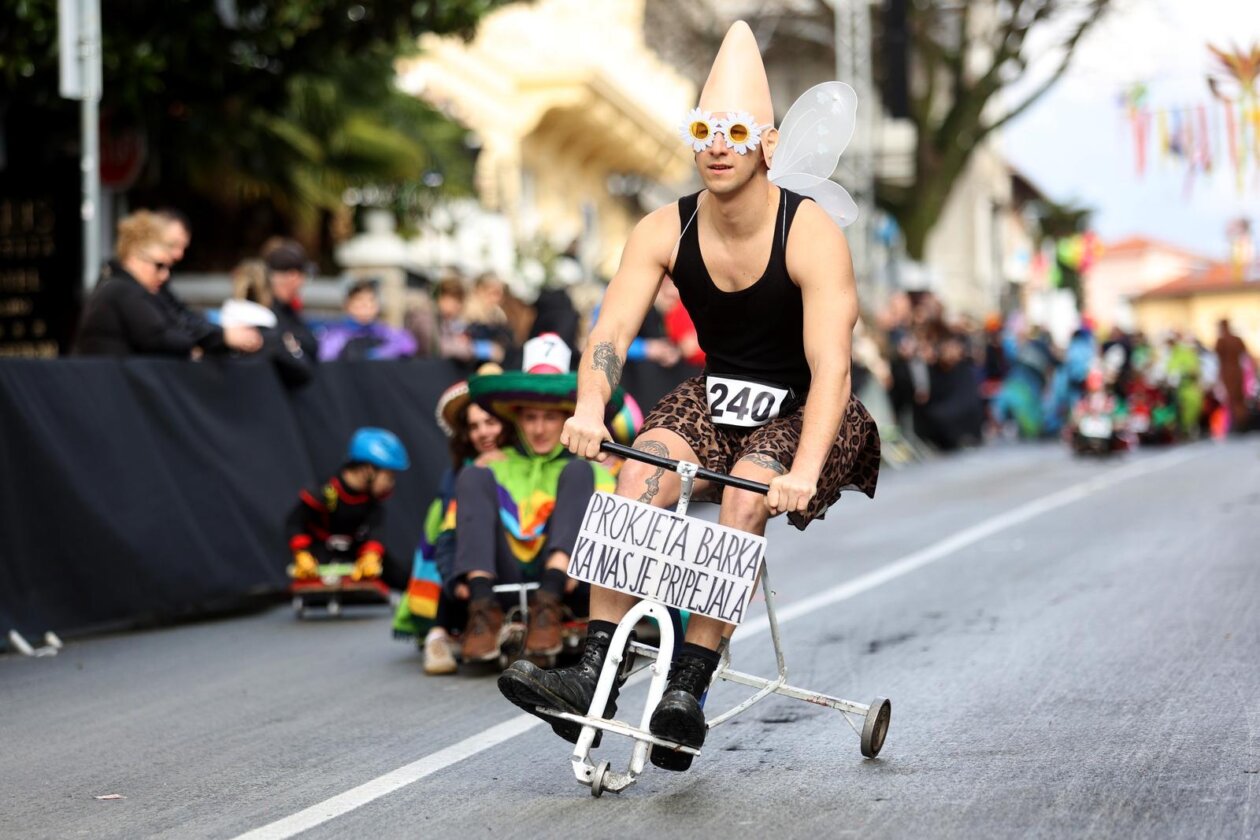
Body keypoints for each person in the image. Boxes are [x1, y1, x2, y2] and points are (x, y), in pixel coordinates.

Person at [497, 22, 881, 772]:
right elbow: (608, 333)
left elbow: (832, 369)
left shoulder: (809, 235)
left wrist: (801, 470)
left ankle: (687, 689)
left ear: (767, 145)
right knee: (638, 471)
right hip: (717, 393)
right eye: (704, 130)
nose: (717, 145)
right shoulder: (660, 228)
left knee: (749, 496)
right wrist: (588, 406)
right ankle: (591, 674)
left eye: (736, 132)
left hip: (809, 407)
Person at [449, 334, 619, 663]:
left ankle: (549, 603)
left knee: (578, 472)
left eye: (550, 417)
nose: (539, 428)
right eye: (530, 417)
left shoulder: (593, 469)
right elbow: (452, 528)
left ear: (567, 418)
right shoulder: (494, 464)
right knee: (471, 475)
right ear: (517, 420)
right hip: (505, 577)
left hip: (568, 582)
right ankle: (482, 610)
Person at [392, 365, 516, 674]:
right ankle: (440, 631)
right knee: (448, 527)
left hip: (516, 560)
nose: (482, 433)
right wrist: (455, 580)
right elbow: (450, 535)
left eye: (490, 422)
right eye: (474, 427)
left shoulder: (532, 464)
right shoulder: (459, 474)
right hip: (470, 564)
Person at [74, 210, 263, 357]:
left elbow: (179, 319)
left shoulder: (128, 288)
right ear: (133, 258)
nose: (165, 275)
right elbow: (160, 336)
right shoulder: (121, 289)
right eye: (159, 265)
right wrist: (213, 340)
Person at [287, 427, 410, 584]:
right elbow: (294, 524)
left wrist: (371, 555)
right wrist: (302, 553)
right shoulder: (324, 493)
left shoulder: (372, 505)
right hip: (318, 564)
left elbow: (376, 533)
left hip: (356, 564)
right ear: (368, 470)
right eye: (389, 476)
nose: (391, 484)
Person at [318, 280, 417, 361]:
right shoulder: (337, 333)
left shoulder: (381, 331)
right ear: (347, 305)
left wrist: (380, 353)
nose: (367, 306)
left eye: (371, 301)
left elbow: (408, 345)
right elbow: (326, 357)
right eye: (360, 301)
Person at [1214, 319, 1253, 432]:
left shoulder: (1221, 341)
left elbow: (1218, 359)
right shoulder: (1237, 339)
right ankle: (1243, 423)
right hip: (1238, 372)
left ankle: (1238, 424)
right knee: (1239, 398)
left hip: (1227, 373)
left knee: (1231, 399)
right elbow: (1245, 356)